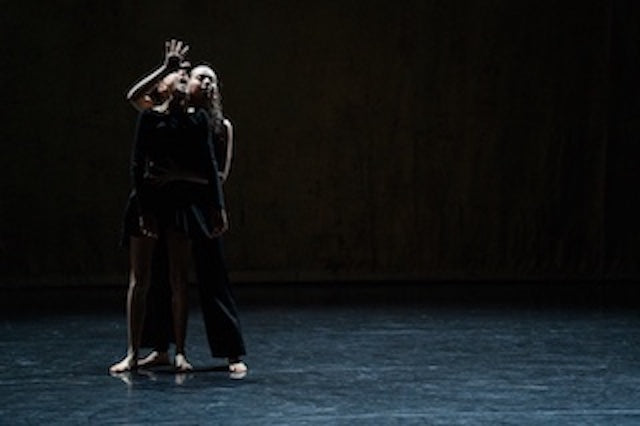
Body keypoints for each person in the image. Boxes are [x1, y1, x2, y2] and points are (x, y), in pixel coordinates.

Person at [118, 40, 247, 376]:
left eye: (211, 80)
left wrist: (203, 195)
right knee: (160, 278)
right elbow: (137, 107)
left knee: (211, 279)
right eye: (198, 77)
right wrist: (167, 68)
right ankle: (160, 348)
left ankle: (229, 352)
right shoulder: (168, 114)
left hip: (200, 206)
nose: (204, 82)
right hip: (172, 204)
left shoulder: (212, 123)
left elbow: (216, 173)